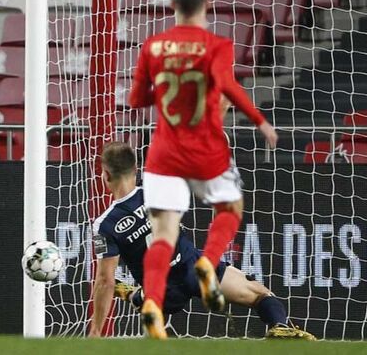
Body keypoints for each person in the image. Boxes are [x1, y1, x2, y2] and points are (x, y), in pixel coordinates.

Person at [127, 0, 278, 339]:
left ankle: (152, 302)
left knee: (163, 233)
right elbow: (229, 87)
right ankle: (208, 262)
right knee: (229, 209)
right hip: (205, 150)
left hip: (163, 153)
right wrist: (260, 121)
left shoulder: (153, 45)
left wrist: (161, 95)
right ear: (206, 4)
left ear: (173, 4)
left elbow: (135, 101)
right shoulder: (217, 46)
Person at [87, 142, 314, 340]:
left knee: (150, 301)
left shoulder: (103, 225)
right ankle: (280, 326)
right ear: (136, 169)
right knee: (260, 293)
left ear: (105, 174)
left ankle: (133, 294)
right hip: (193, 268)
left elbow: (105, 280)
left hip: (163, 292)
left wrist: (96, 331)